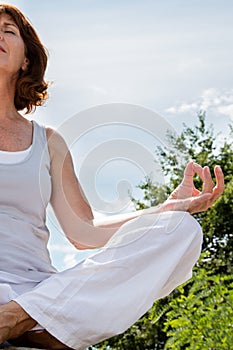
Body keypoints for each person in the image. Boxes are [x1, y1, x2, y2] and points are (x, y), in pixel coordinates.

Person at [0, 4, 224, 350]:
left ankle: (19, 318)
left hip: (40, 293)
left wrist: (167, 208)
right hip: (41, 306)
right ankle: (31, 323)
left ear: (26, 60)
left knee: (180, 230)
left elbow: (83, 232)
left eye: (7, 30)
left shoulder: (48, 142)